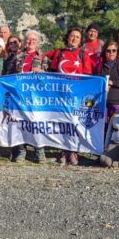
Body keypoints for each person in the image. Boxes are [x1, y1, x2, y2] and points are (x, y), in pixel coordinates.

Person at [49, 27, 94, 165]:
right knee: (62, 123)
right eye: (72, 36)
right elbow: (51, 70)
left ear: (80, 41)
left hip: (76, 95)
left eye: (77, 37)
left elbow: (87, 75)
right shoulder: (59, 53)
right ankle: (63, 150)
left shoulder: (83, 54)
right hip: (61, 95)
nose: (74, 39)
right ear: (67, 37)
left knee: (75, 123)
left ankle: (73, 151)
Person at [10, 30, 50, 163]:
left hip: (36, 98)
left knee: (37, 123)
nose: (31, 42)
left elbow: (48, 77)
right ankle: (21, 150)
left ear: (37, 42)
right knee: (20, 123)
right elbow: (10, 75)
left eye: (34, 40)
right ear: (25, 41)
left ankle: (39, 150)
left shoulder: (42, 57)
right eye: (28, 39)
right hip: (20, 96)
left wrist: (41, 72)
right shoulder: (18, 57)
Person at [95, 40, 119, 122]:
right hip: (102, 103)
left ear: (117, 52)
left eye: (114, 50)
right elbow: (95, 83)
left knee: (115, 127)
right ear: (104, 52)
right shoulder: (99, 66)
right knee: (102, 129)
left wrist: (113, 83)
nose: (111, 53)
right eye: (108, 50)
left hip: (117, 103)